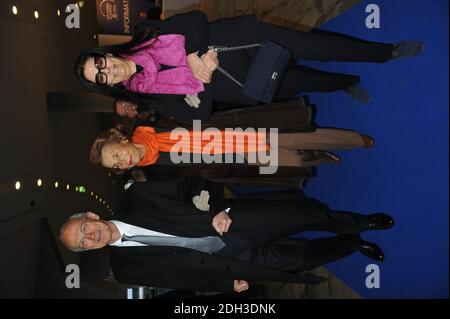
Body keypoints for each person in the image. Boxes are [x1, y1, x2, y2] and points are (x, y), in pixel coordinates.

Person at [59, 177, 394, 293]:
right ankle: (354, 243)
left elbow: (191, 185)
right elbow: (185, 280)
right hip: (233, 261)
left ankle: (360, 222)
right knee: (303, 259)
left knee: (308, 216)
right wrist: (223, 285)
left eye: (84, 229)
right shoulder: (126, 271)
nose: (91, 237)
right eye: (83, 243)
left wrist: (214, 208)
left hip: (233, 223)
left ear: (90, 216)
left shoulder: (136, 199)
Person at [75, 11, 424, 121]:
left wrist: (195, 56)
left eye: (100, 63)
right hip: (243, 81)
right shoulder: (148, 98)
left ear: (106, 54)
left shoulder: (145, 34)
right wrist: (205, 76)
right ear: (106, 85)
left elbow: (196, 21)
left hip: (243, 40)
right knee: (306, 81)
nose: (109, 71)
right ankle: (344, 83)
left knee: (319, 46)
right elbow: (197, 118)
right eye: (101, 77)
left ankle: (385, 51)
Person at [89, 124, 374, 172]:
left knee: (301, 138)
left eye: (116, 155)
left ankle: (354, 140)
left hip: (234, 133)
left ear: (121, 140)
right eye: (115, 165)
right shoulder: (156, 170)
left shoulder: (153, 123)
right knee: (294, 162)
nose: (121, 162)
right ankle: (321, 157)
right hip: (231, 157)